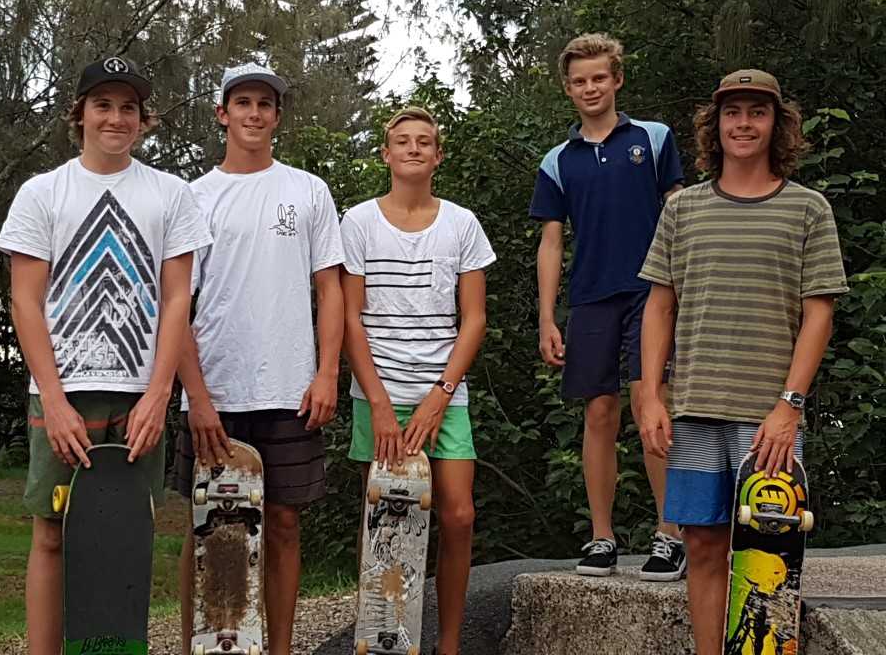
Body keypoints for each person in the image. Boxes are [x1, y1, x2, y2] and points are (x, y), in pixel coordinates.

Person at [0, 56, 209, 655]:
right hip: (63, 393)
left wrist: (159, 395)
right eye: (103, 105)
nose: (116, 118)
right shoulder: (42, 193)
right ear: (80, 114)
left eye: (128, 108)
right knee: (51, 534)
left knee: (126, 538)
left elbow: (176, 300)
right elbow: (26, 302)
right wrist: (55, 400)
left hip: (140, 393)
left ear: (144, 119)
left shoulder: (171, 195)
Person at [637, 69, 848, 654]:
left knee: (770, 553)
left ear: (778, 123)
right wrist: (651, 395)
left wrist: (790, 406)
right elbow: (659, 306)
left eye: (758, 111)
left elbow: (819, 314)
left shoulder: (808, 209)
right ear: (716, 124)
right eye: (733, 112)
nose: (744, 123)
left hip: (768, 420)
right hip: (694, 409)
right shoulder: (683, 209)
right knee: (702, 546)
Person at [174, 63, 345, 655]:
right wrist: (196, 396)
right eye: (242, 102)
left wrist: (327, 373)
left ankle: (281, 648)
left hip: (291, 388)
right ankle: (199, 645)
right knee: (205, 529)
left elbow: (331, 289)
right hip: (214, 389)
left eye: (264, 104)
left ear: (277, 116)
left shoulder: (308, 190)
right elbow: (176, 304)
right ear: (222, 114)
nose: (253, 113)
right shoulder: (193, 197)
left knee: (284, 524)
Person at [529, 33, 686, 578]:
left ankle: (670, 534)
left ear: (617, 79)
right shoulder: (557, 161)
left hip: (652, 292)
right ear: (567, 89)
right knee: (598, 413)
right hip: (591, 296)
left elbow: (679, 214)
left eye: (599, 77)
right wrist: (547, 317)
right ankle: (602, 537)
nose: (590, 88)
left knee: (651, 404)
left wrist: (686, 287)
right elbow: (551, 242)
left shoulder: (654, 138)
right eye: (580, 81)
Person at [341, 106, 495, 655]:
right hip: (378, 392)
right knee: (386, 521)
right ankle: (383, 638)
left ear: (438, 156)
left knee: (459, 515)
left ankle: (448, 644)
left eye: (423, 141)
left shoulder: (462, 224)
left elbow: (474, 319)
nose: (413, 148)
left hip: (443, 395)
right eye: (402, 141)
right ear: (386, 154)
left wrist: (440, 394)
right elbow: (349, 318)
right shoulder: (358, 222)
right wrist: (380, 404)